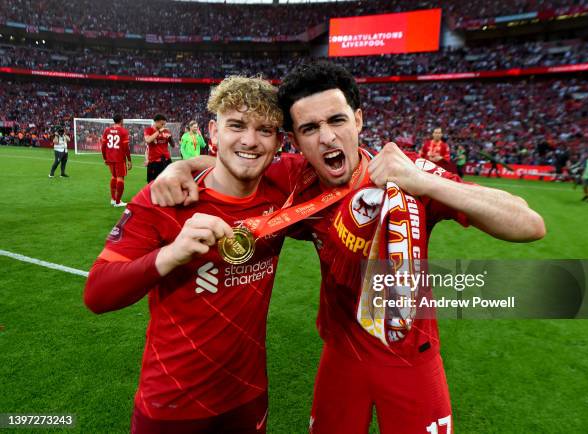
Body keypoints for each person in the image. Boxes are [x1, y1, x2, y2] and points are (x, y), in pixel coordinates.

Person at [150, 61, 546, 434]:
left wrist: (423, 181)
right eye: (309, 128)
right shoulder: (295, 178)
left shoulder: (408, 175)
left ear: (358, 119)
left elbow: (529, 224)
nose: (326, 137)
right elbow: (236, 162)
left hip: (412, 355)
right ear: (295, 140)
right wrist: (180, 166)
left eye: (337, 120)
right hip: (341, 354)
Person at [84, 76, 291, 433]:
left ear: (279, 142)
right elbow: (97, 293)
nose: (250, 140)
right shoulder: (164, 197)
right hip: (171, 401)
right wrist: (172, 254)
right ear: (214, 130)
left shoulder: (283, 187)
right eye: (236, 125)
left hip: (248, 396)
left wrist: (184, 162)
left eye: (265, 130)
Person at [101, 115, 132, 207]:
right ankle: (118, 202)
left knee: (114, 176)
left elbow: (103, 146)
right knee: (120, 178)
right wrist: (129, 160)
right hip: (119, 158)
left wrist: (105, 158)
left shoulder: (107, 130)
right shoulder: (123, 131)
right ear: (121, 120)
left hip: (110, 157)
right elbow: (126, 147)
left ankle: (113, 199)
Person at [144, 114, 175, 182]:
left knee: (168, 181)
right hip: (154, 161)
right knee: (152, 183)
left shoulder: (166, 131)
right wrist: (159, 131)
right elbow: (148, 140)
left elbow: (173, 145)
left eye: (164, 124)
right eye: (162, 124)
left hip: (166, 160)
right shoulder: (149, 130)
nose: (163, 126)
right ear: (156, 122)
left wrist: (170, 138)